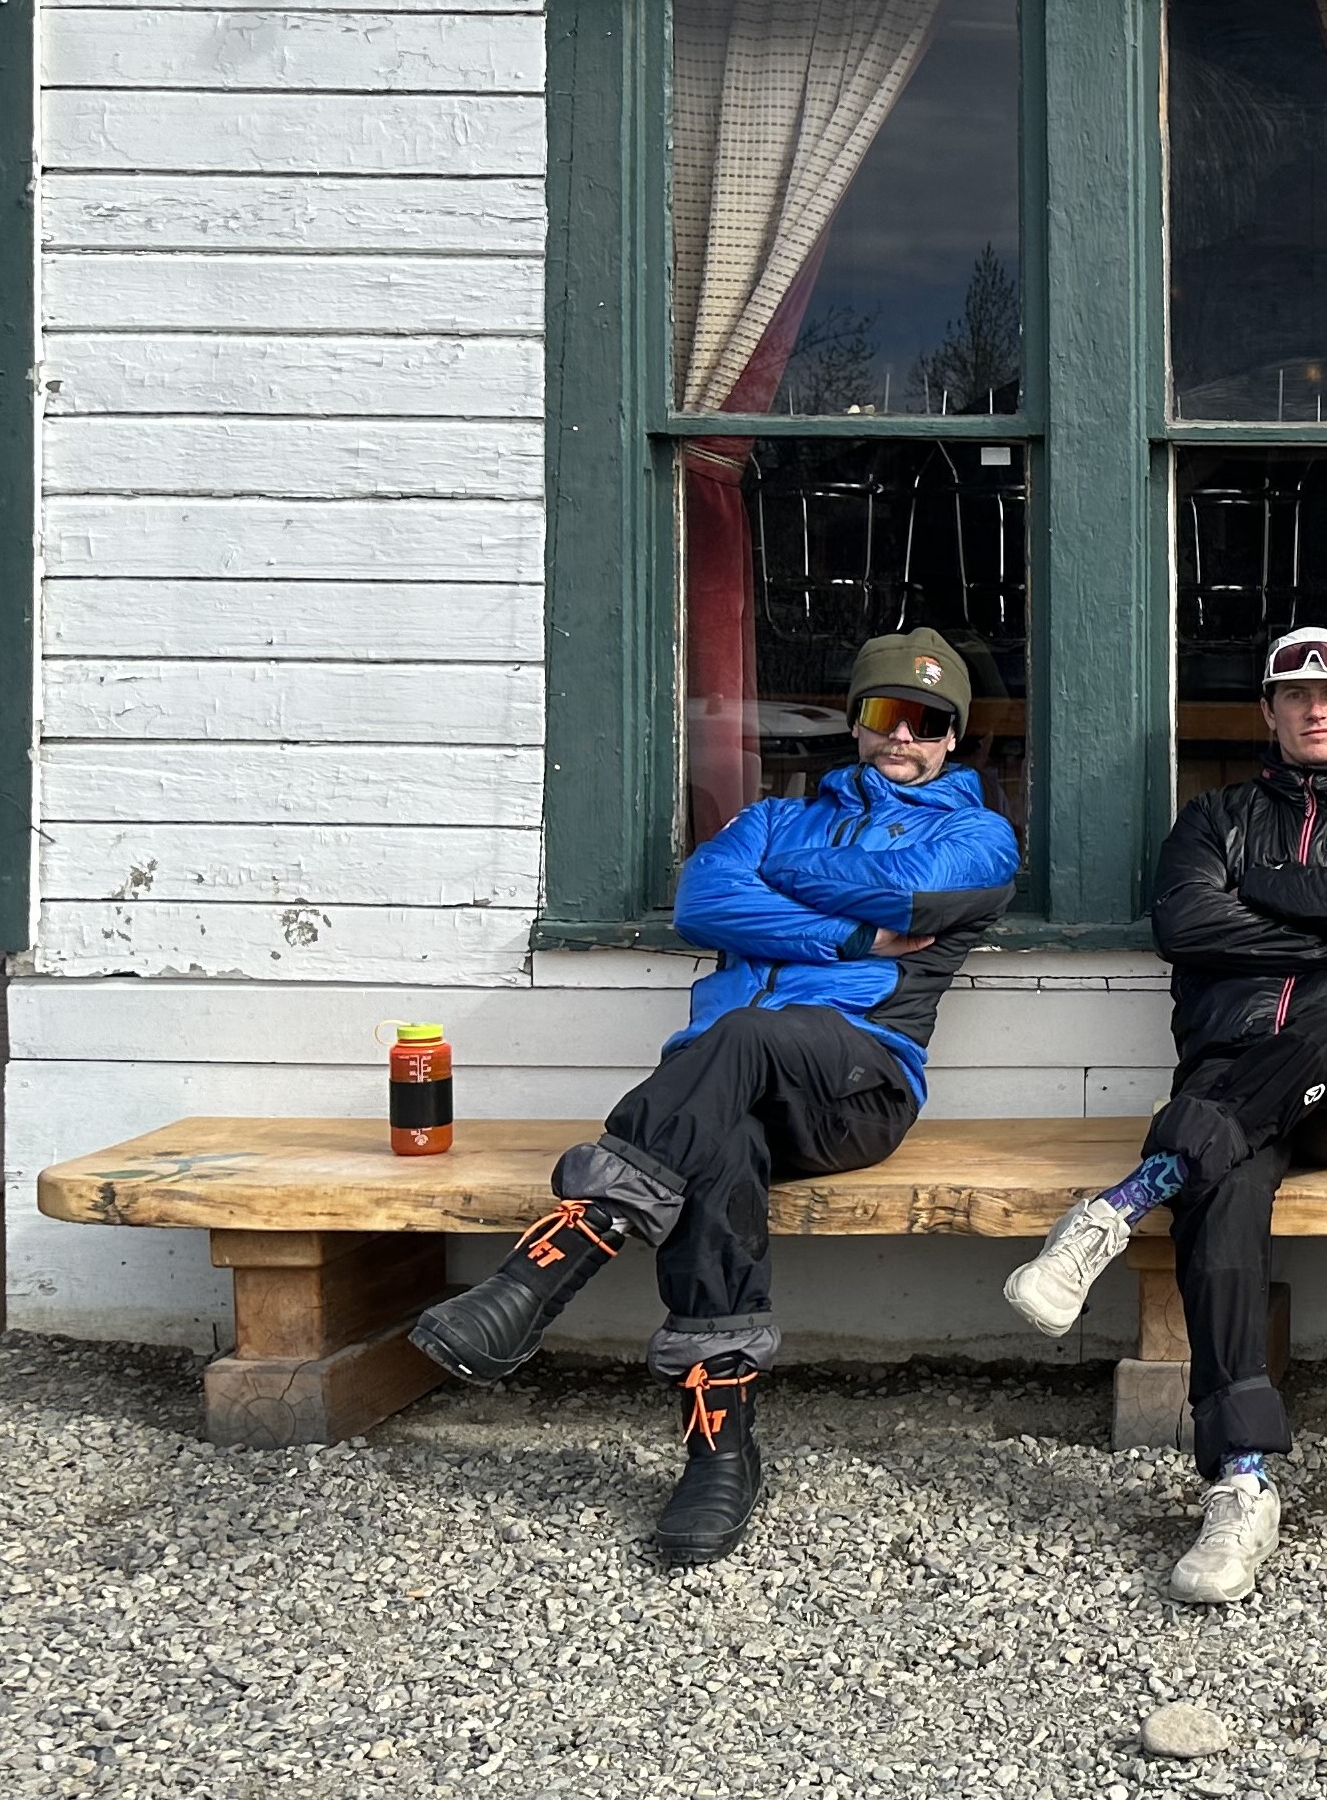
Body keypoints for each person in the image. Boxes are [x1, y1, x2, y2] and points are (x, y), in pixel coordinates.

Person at [408, 631, 1018, 1567]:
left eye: (928, 722)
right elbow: (703, 903)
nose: (904, 737)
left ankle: (549, 1264)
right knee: (716, 1147)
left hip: (859, 1086)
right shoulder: (777, 816)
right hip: (720, 1093)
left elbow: (908, 887)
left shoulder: (977, 835)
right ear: (856, 723)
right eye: (885, 714)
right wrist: (855, 937)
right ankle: (718, 1452)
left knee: (739, 1036)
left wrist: (789, 888)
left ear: (952, 738)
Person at [999, 627, 1327, 1604]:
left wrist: (1273, 897)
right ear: (1268, 710)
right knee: (1225, 1186)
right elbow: (1186, 924)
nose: (1316, 708)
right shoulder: (1215, 819)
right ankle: (1241, 1482)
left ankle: (1121, 1203)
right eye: (1295, 694)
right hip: (1234, 1075)